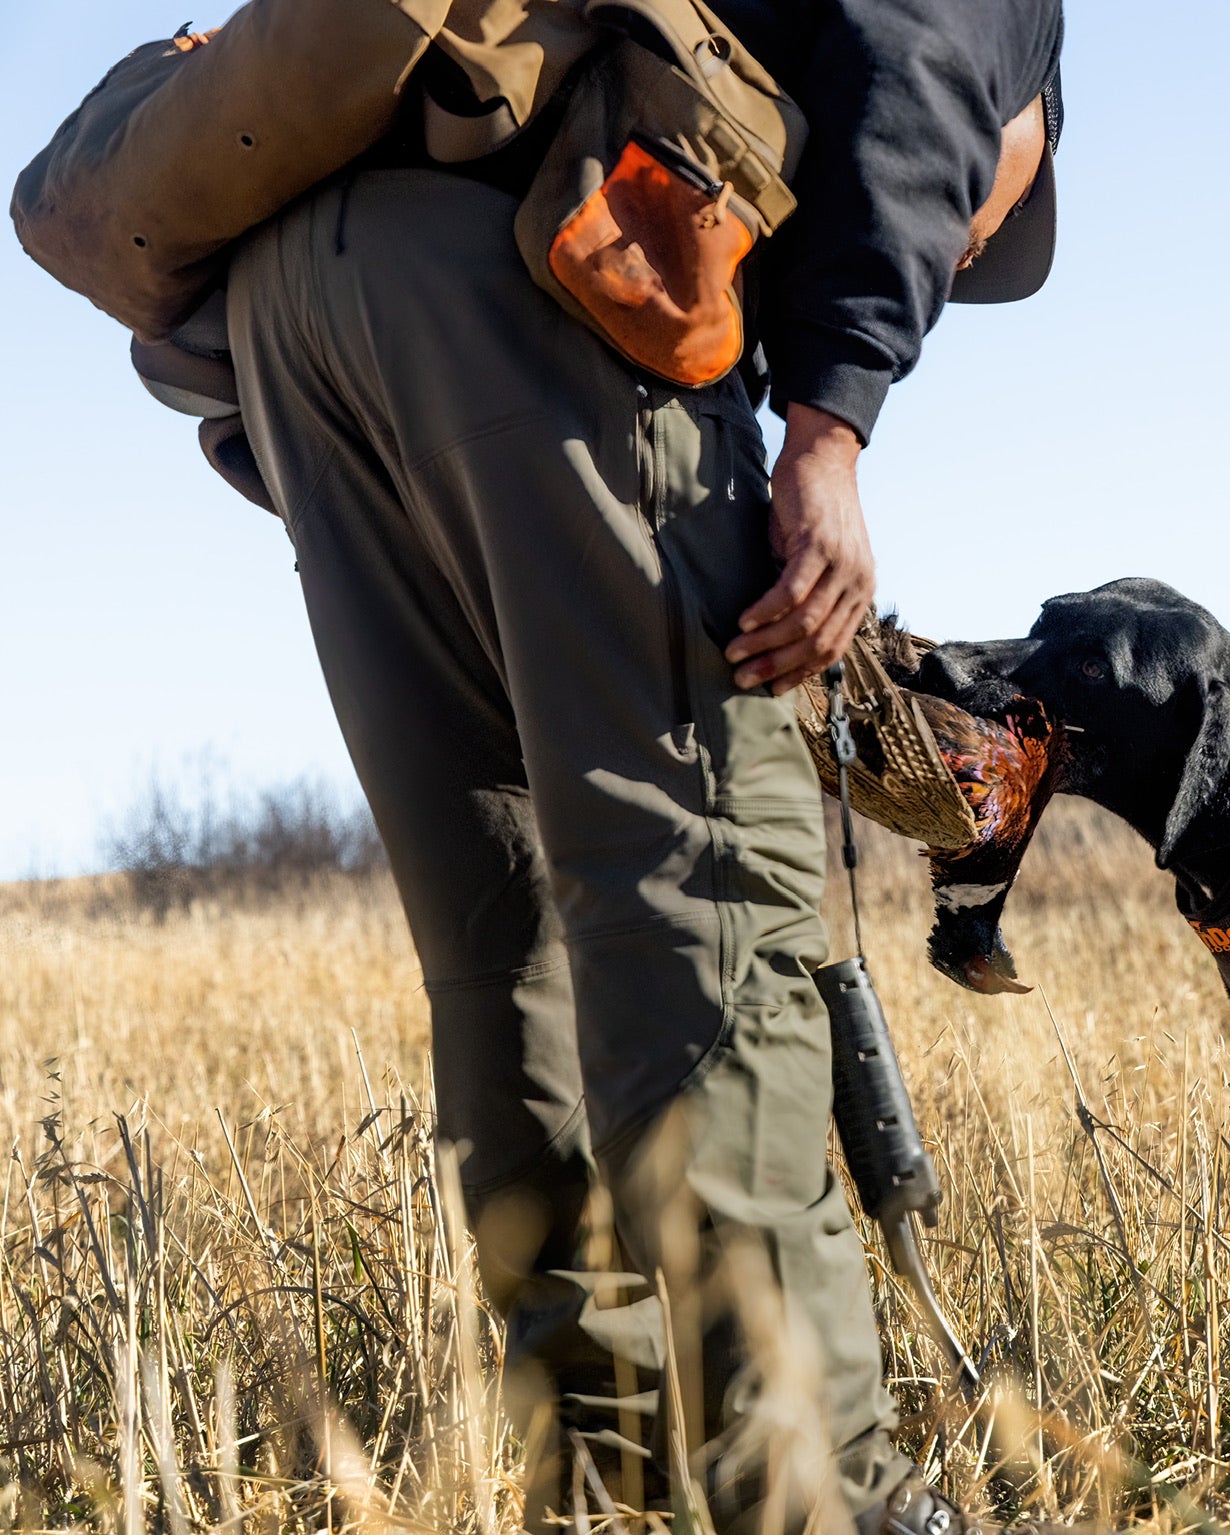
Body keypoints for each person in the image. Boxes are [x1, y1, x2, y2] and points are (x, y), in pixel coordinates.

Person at [219, 2, 1081, 1530]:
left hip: (303, 315)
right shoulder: (1000, 59)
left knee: (513, 964)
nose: (955, 258)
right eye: (972, 228)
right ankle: (814, 1500)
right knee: (707, 916)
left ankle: (605, 1485)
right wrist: (830, 430)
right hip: (552, 269)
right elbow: (927, 61)